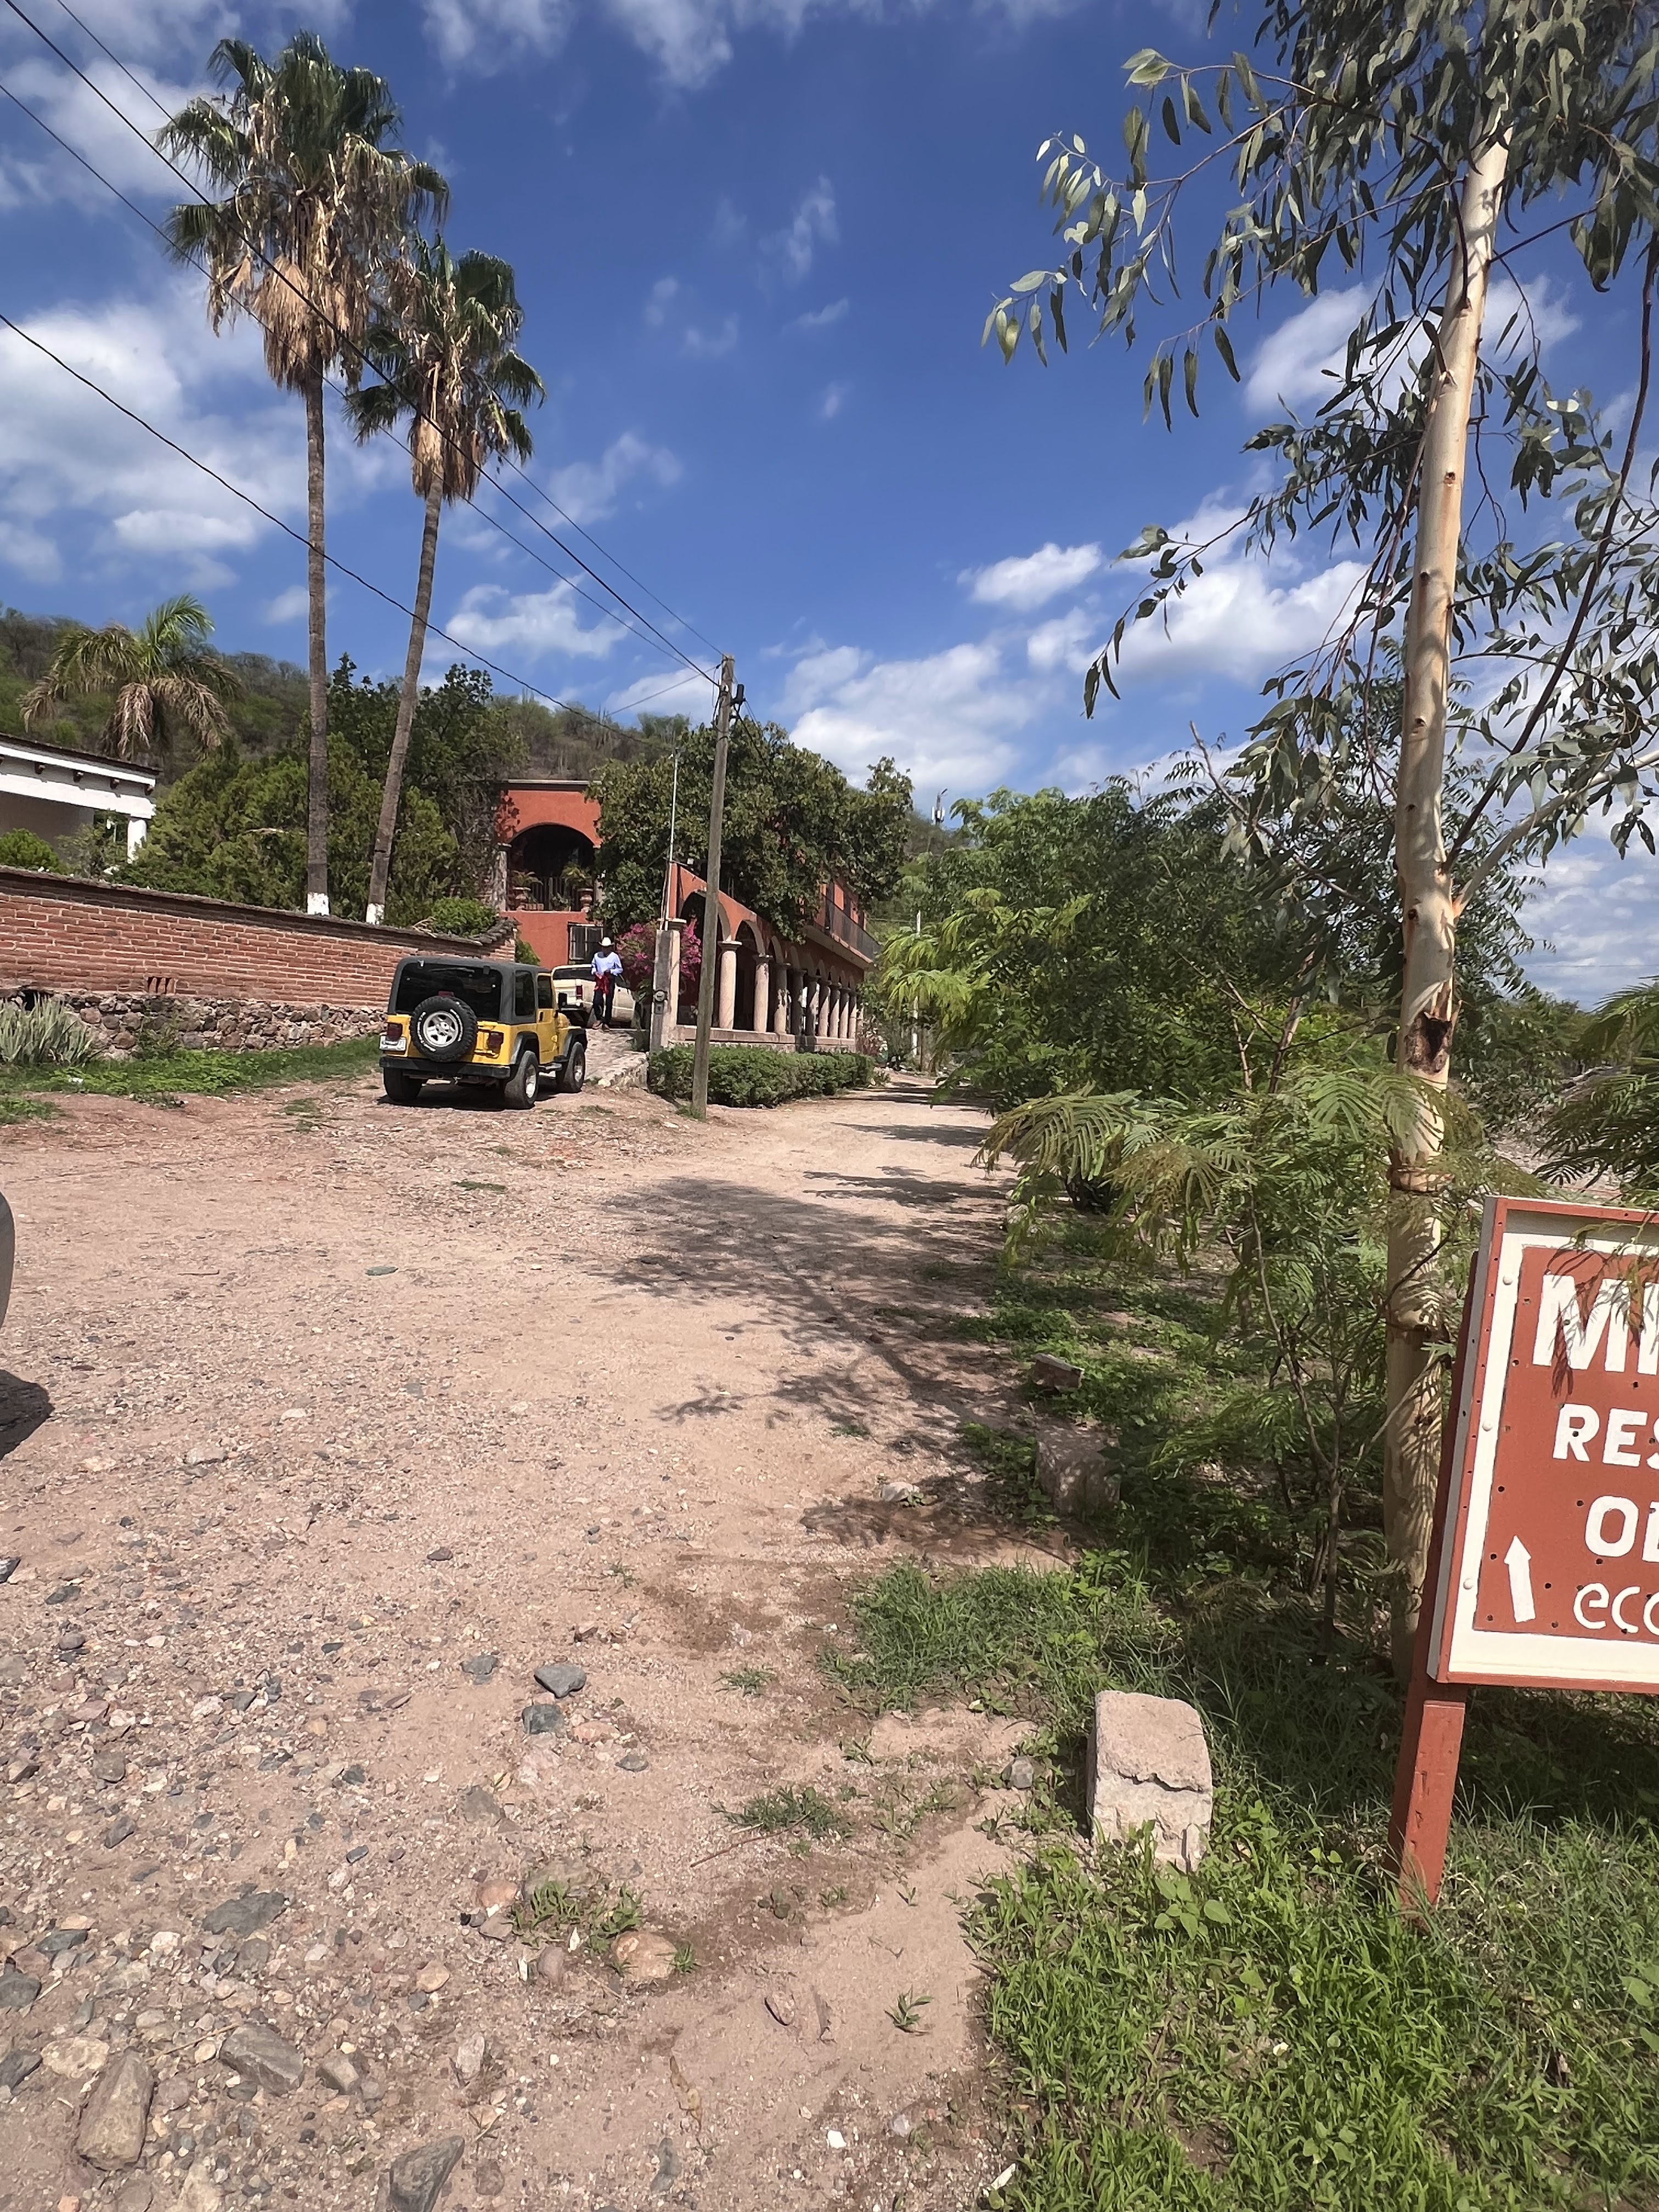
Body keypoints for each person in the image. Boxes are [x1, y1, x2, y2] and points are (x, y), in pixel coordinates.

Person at [590, 936, 623, 1028]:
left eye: (607, 947)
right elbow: (593, 966)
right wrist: (595, 972)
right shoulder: (597, 956)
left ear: (610, 948)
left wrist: (611, 972)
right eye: (604, 947)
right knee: (597, 1001)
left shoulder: (614, 957)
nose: (605, 949)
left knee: (609, 1001)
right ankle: (599, 1018)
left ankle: (607, 1022)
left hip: (609, 981)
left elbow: (620, 969)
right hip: (600, 981)